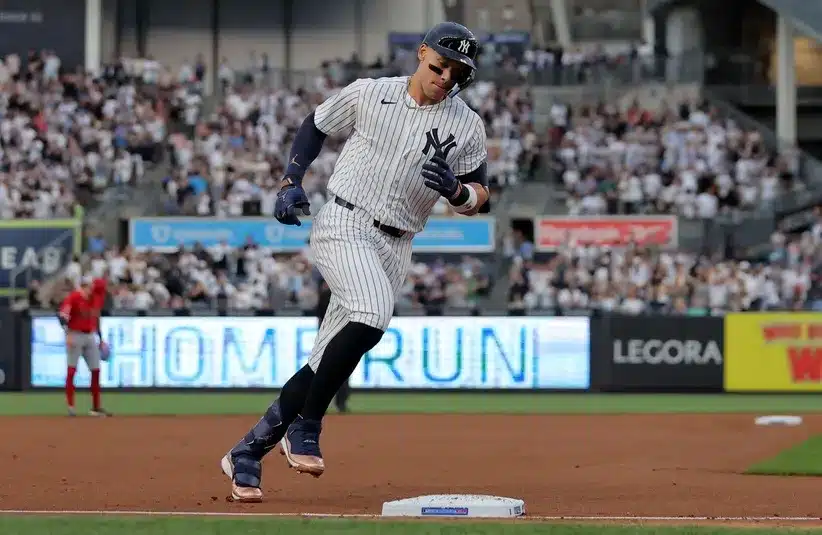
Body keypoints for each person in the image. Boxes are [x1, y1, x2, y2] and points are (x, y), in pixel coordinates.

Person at [220, 21, 489, 503]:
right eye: (440, 64)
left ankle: (247, 452)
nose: (446, 77)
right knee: (371, 314)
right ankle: (307, 424)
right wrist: (290, 182)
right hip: (345, 220)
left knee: (324, 359)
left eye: (457, 72)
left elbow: (481, 195)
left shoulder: (466, 123)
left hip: (397, 242)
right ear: (421, 53)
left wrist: (458, 192)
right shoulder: (370, 93)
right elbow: (315, 126)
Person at [59, 275, 112, 417]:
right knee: (71, 371)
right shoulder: (74, 297)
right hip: (74, 334)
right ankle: (71, 406)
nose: (94, 291)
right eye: (92, 288)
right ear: (85, 286)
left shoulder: (96, 298)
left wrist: (101, 339)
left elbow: (97, 317)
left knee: (96, 370)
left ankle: (95, 407)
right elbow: (63, 316)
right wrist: (67, 333)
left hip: (90, 336)